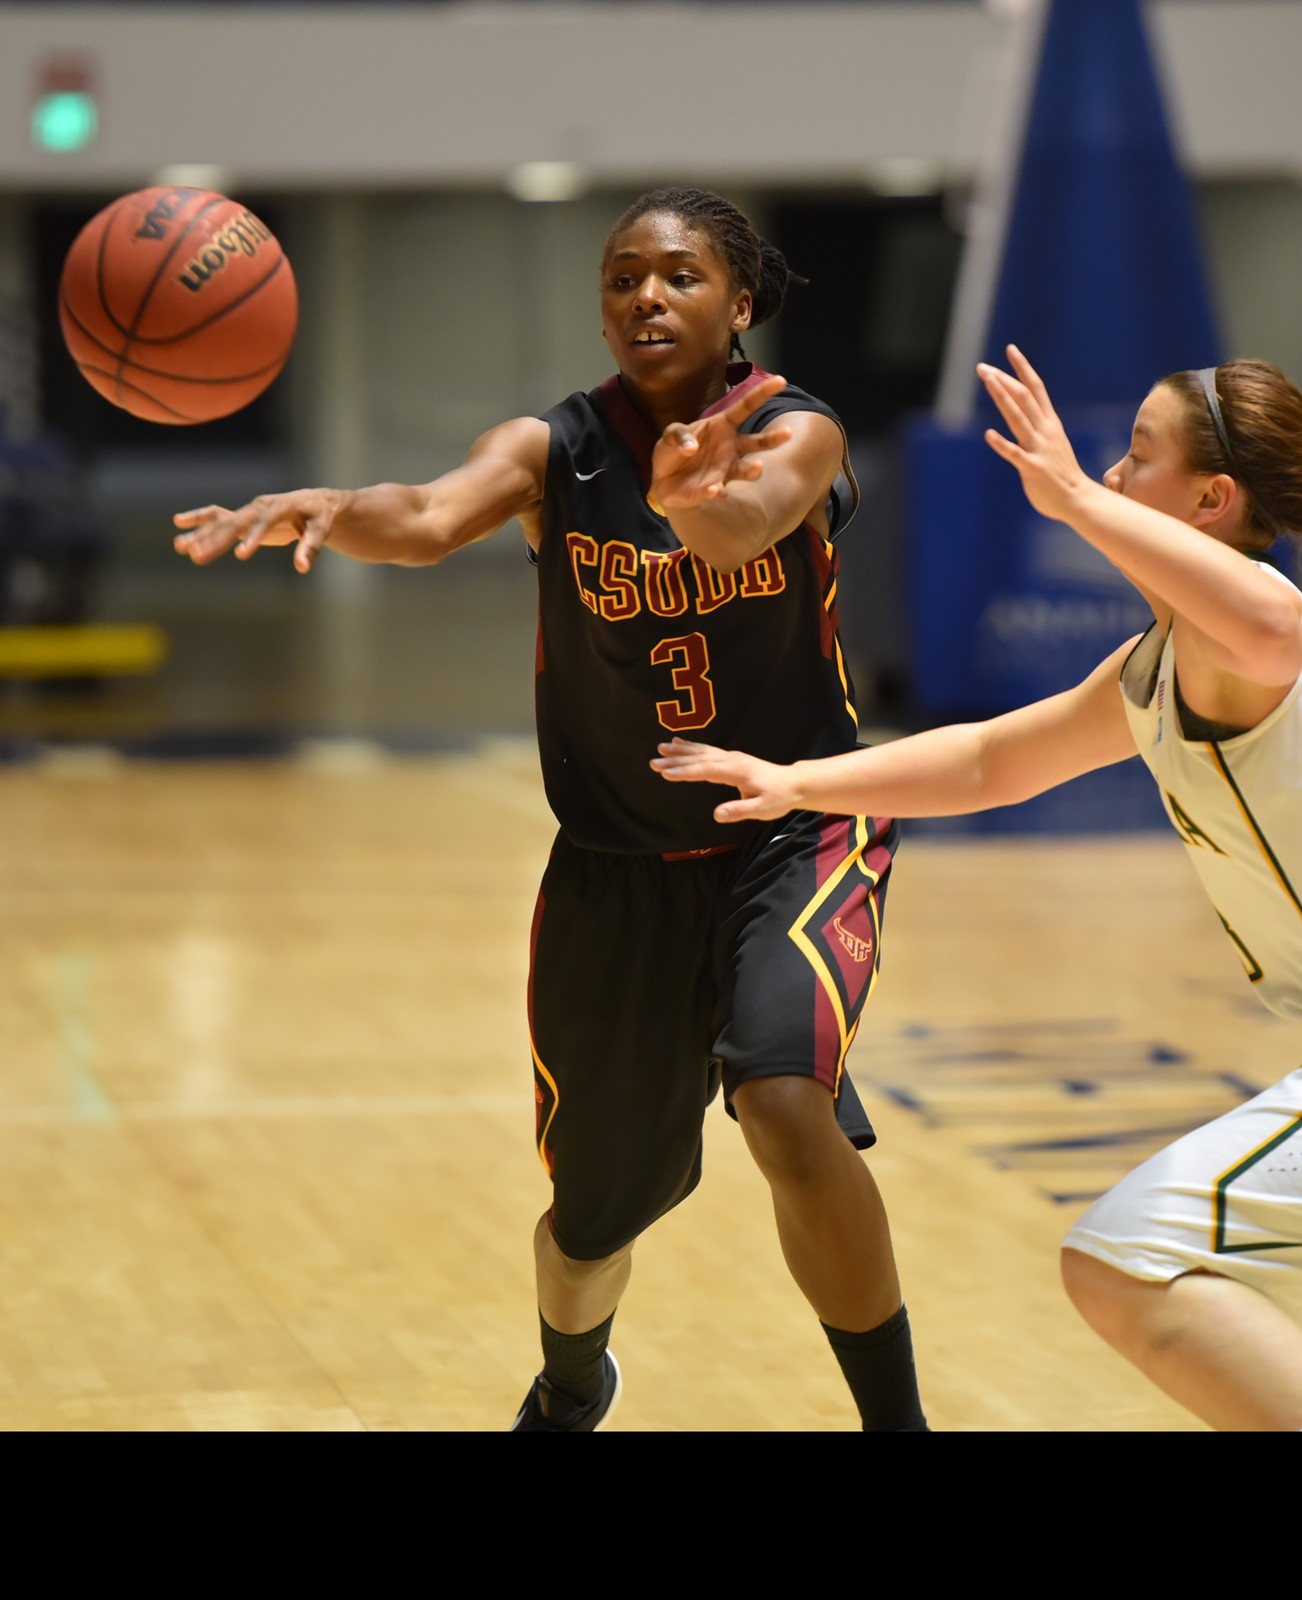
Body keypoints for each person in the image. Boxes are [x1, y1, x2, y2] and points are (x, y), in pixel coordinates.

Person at [172, 187, 929, 1433]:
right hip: (614, 868)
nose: (644, 297)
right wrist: (330, 508)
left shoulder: (797, 429)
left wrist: (692, 498)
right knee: (588, 1226)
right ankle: (575, 1380)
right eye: (623, 276)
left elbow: (745, 528)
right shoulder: (554, 447)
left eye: (678, 276)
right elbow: (423, 517)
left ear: (740, 302)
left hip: (791, 831)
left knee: (785, 1105)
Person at [653, 343, 1302, 1431]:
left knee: (1126, 1257)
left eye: (1135, 457)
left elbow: (1277, 628)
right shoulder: (1158, 668)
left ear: (1213, 497)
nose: (1112, 471)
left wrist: (1073, 501)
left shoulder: (1256, 629)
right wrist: (796, 780)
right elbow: (991, 760)